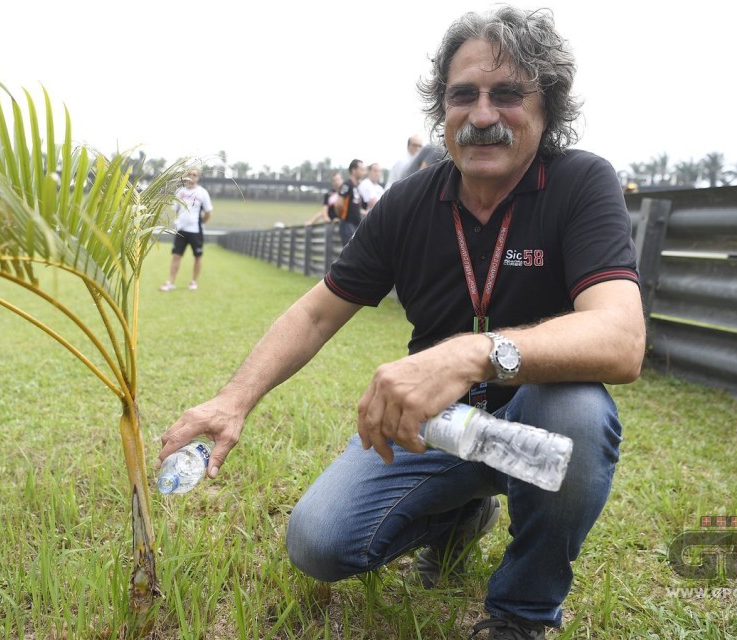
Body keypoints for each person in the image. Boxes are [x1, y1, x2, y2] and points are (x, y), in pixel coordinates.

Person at [159, 6, 644, 639]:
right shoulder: (411, 202)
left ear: (547, 107)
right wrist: (233, 400)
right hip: (439, 429)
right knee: (318, 542)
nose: (482, 115)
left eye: (508, 95)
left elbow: (622, 338)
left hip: (538, 425)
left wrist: (471, 353)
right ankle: (458, 518)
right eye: (461, 95)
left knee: (578, 413)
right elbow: (316, 311)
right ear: (441, 111)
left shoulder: (580, 183)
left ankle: (522, 612)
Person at [160, 168, 213, 291]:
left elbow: (208, 213)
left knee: (198, 256)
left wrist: (201, 223)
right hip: (181, 230)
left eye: (194, 175)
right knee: (176, 256)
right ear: (186, 176)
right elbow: (176, 209)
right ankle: (171, 282)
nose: (192, 177)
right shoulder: (180, 192)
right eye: (189, 174)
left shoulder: (202, 193)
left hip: (196, 231)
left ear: (197, 177)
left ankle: (193, 282)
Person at [333, 159, 366, 245]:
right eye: (361, 169)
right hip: (348, 224)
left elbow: (357, 207)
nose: (363, 172)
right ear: (353, 170)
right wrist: (342, 218)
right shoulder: (347, 185)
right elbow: (338, 204)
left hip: (356, 224)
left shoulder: (357, 186)